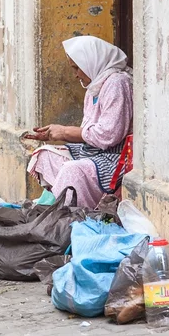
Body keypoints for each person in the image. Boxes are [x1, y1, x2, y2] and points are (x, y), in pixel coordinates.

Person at [27, 36, 133, 208]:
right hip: (94, 152)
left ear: (91, 62)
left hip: (116, 157)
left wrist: (65, 132)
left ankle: (63, 212)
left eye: (77, 68)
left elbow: (109, 135)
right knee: (44, 155)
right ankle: (62, 203)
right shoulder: (94, 86)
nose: (76, 74)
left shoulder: (117, 83)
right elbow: (88, 133)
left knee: (72, 171)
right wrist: (53, 135)